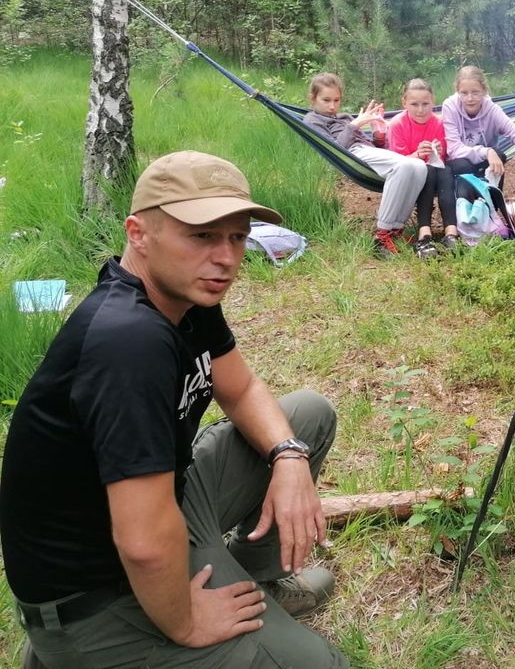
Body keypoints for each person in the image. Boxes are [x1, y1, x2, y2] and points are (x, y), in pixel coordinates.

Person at [0, 151, 345, 669]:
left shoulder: (185, 296)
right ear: (138, 233)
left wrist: (289, 457)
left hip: (165, 508)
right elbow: (141, 543)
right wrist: (185, 621)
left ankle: (259, 581)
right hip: (97, 592)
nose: (227, 257)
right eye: (203, 236)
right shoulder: (128, 341)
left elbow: (243, 386)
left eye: (236, 236)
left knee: (306, 416)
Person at [302, 72, 426, 257]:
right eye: (326, 100)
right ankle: (382, 236)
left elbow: (375, 146)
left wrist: (378, 134)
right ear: (313, 98)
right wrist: (355, 124)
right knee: (404, 166)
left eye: (336, 100)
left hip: (368, 153)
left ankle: (396, 230)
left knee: (418, 166)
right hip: (352, 155)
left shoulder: (343, 117)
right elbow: (335, 149)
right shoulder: (312, 120)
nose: (332, 106)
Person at [387, 78, 462, 257]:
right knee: (425, 170)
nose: (420, 110)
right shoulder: (397, 124)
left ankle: (451, 233)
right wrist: (417, 155)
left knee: (446, 170)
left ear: (433, 102)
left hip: (438, 175)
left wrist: (440, 152)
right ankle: (424, 233)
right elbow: (396, 162)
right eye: (414, 104)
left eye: (425, 104)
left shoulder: (438, 123)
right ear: (404, 102)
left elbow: (441, 158)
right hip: (409, 175)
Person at [441, 65, 515, 200]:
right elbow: (453, 150)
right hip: (458, 163)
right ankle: (466, 211)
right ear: (457, 91)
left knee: (499, 155)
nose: (470, 98)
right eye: (464, 93)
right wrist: (486, 151)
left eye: (475, 92)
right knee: (464, 164)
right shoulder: (450, 107)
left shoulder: (492, 110)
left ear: (484, 91)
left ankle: (493, 207)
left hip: (485, 164)